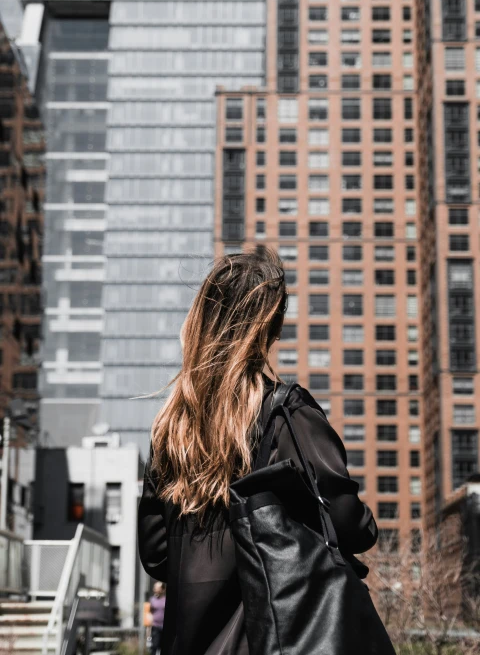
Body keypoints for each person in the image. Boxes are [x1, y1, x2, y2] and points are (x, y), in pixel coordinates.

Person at [138, 246, 378, 655]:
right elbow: (350, 525)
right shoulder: (285, 414)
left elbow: (156, 555)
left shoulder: (170, 430)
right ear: (271, 325)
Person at [149, 582, 165, 655]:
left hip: (164, 626)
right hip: (155, 625)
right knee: (154, 646)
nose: (155, 589)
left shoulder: (166, 599)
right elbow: (150, 612)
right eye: (154, 587)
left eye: (157, 587)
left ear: (162, 589)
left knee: (163, 646)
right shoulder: (152, 600)